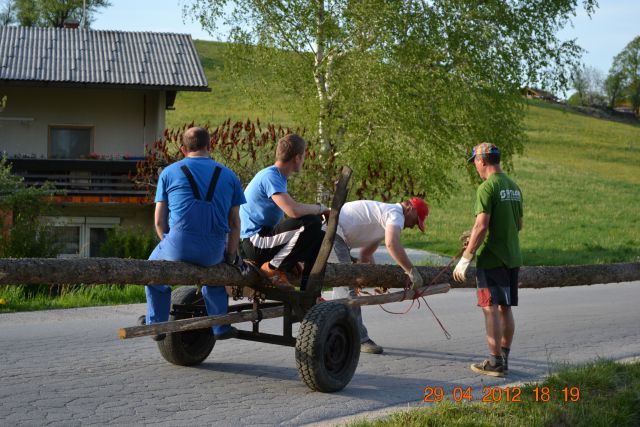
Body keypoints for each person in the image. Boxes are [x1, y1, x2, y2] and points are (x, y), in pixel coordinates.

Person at [142, 126, 247, 341]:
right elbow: (235, 223)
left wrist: (170, 244)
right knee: (215, 274)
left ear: (182, 149)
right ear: (210, 146)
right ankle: (219, 326)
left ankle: (158, 325)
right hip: (213, 250)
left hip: (177, 246)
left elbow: (159, 221)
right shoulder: (229, 176)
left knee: (151, 271)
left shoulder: (169, 173)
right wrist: (230, 256)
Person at [453, 142, 523, 377]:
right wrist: (474, 234)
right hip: (512, 257)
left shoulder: (487, 188)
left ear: (481, 161)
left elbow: (482, 225)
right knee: (506, 307)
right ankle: (504, 357)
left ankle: (494, 363)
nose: (474, 166)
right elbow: (518, 225)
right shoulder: (513, 187)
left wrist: (466, 257)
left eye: (474, 161)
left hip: (491, 259)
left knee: (489, 308)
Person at [328, 198, 429, 354]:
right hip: (333, 233)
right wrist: (412, 271)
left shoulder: (383, 218)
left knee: (341, 292)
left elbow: (366, 254)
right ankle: (359, 339)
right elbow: (392, 244)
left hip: (334, 233)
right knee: (348, 289)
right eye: (415, 221)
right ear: (410, 209)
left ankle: (330, 329)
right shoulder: (395, 214)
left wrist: (376, 278)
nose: (412, 226)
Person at [240, 134, 328, 290]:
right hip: (256, 242)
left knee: (319, 236)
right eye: (304, 156)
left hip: (266, 239)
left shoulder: (278, 177)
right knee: (311, 222)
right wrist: (320, 209)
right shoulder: (270, 176)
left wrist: (291, 259)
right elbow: (293, 211)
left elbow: (283, 221)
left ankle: (309, 294)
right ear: (297, 157)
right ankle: (273, 268)